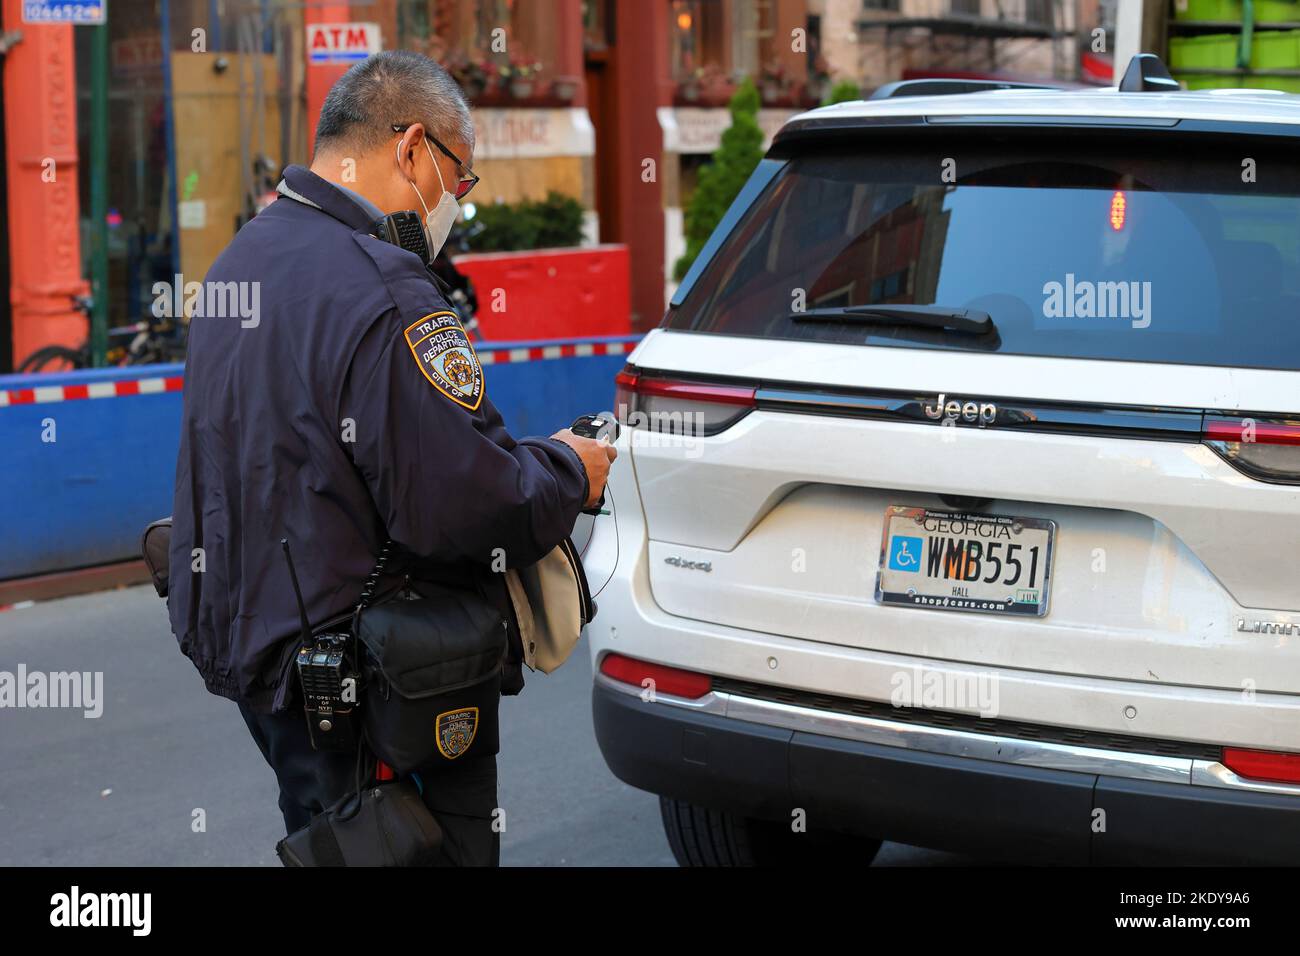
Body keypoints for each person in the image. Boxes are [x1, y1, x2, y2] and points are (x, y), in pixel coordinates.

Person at [166, 50, 616, 866]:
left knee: (329, 844)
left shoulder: (239, 264)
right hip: (383, 681)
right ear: (412, 149)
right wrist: (566, 471)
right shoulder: (386, 288)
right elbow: (468, 505)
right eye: (461, 179)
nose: (457, 205)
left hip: (272, 670)